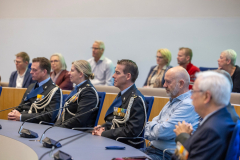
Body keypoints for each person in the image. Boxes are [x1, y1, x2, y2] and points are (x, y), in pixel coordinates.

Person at [173, 71, 235, 160]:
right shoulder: (222, 118)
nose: (191, 97)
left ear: (206, 96)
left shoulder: (211, 130)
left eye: (194, 91)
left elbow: (183, 158)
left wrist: (182, 137)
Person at [142, 66, 199, 160]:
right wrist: (159, 125)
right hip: (151, 150)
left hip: (165, 155)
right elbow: (149, 125)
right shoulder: (172, 100)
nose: (164, 85)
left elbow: (162, 132)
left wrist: (159, 125)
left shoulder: (188, 105)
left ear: (181, 84)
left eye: (168, 82)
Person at [92, 59, 147, 148]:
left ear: (128, 76)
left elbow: (132, 131)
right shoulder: (123, 94)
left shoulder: (136, 99)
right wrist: (102, 128)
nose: (113, 76)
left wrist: (105, 133)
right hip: (114, 141)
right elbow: (114, 120)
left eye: (117, 73)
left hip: (126, 146)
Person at [8, 57, 61, 123]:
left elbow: (49, 116)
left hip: (38, 127)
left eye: (34, 70)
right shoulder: (31, 86)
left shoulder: (54, 90)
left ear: (44, 72)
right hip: (23, 123)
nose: (31, 72)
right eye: (31, 69)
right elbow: (21, 106)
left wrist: (22, 117)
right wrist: (13, 113)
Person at [55, 60, 99, 129]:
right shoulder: (77, 89)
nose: (69, 73)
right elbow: (65, 114)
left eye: (72, 70)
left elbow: (79, 120)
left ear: (81, 74)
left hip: (77, 132)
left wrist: (60, 128)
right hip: (67, 129)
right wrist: (55, 127)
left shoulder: (89, 92)